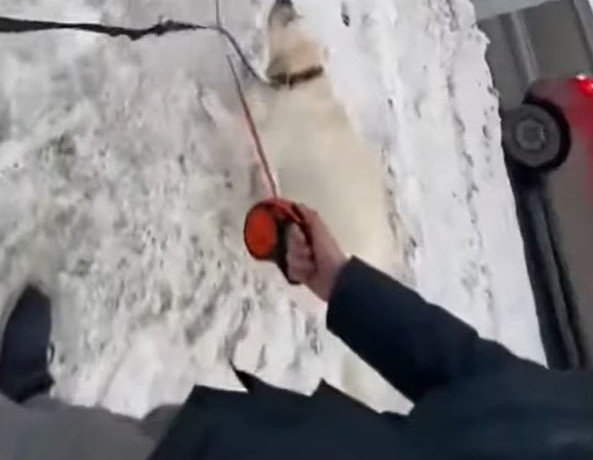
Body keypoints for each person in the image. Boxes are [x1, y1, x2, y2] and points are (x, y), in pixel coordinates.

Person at [1, 208, 592, 460]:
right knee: (135, 434)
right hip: (279, 444)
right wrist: (345, 284)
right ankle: (33, 402)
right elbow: (487, 379)